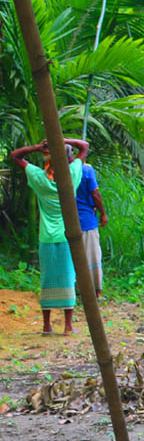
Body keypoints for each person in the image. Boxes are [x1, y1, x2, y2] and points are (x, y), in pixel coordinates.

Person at [10, 137, 89, 335]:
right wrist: (62, 139)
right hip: (66, 237)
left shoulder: (39, 178)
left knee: (47, 279)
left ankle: (46, 325)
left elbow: (15, 155)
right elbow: (84, 147)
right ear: (67, 160)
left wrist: (37, 147)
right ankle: (68, 326)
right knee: (67, 278)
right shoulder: (71, 175)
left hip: (46, 238)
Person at [75, 160, 108, 298]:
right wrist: (103, 213)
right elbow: (95, 194)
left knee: (75, 256)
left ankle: (76, 288)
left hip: (68, 220)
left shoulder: (60, 170)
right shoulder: (86, 170)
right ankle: (95, 290)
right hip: (87, 220)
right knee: (92, 255)